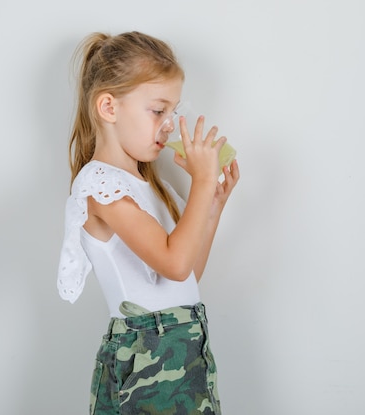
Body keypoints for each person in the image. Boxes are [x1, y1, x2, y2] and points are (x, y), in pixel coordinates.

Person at [56, 31, 240, 415]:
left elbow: (183, 275)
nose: (170, 125)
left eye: (173, 112)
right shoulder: (100, 186)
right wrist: (203, 182)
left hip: (187, 347)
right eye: (158, 111)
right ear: (108, 107)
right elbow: (173, 262)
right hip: (146, 355)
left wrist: (211, 209)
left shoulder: (150, 186)